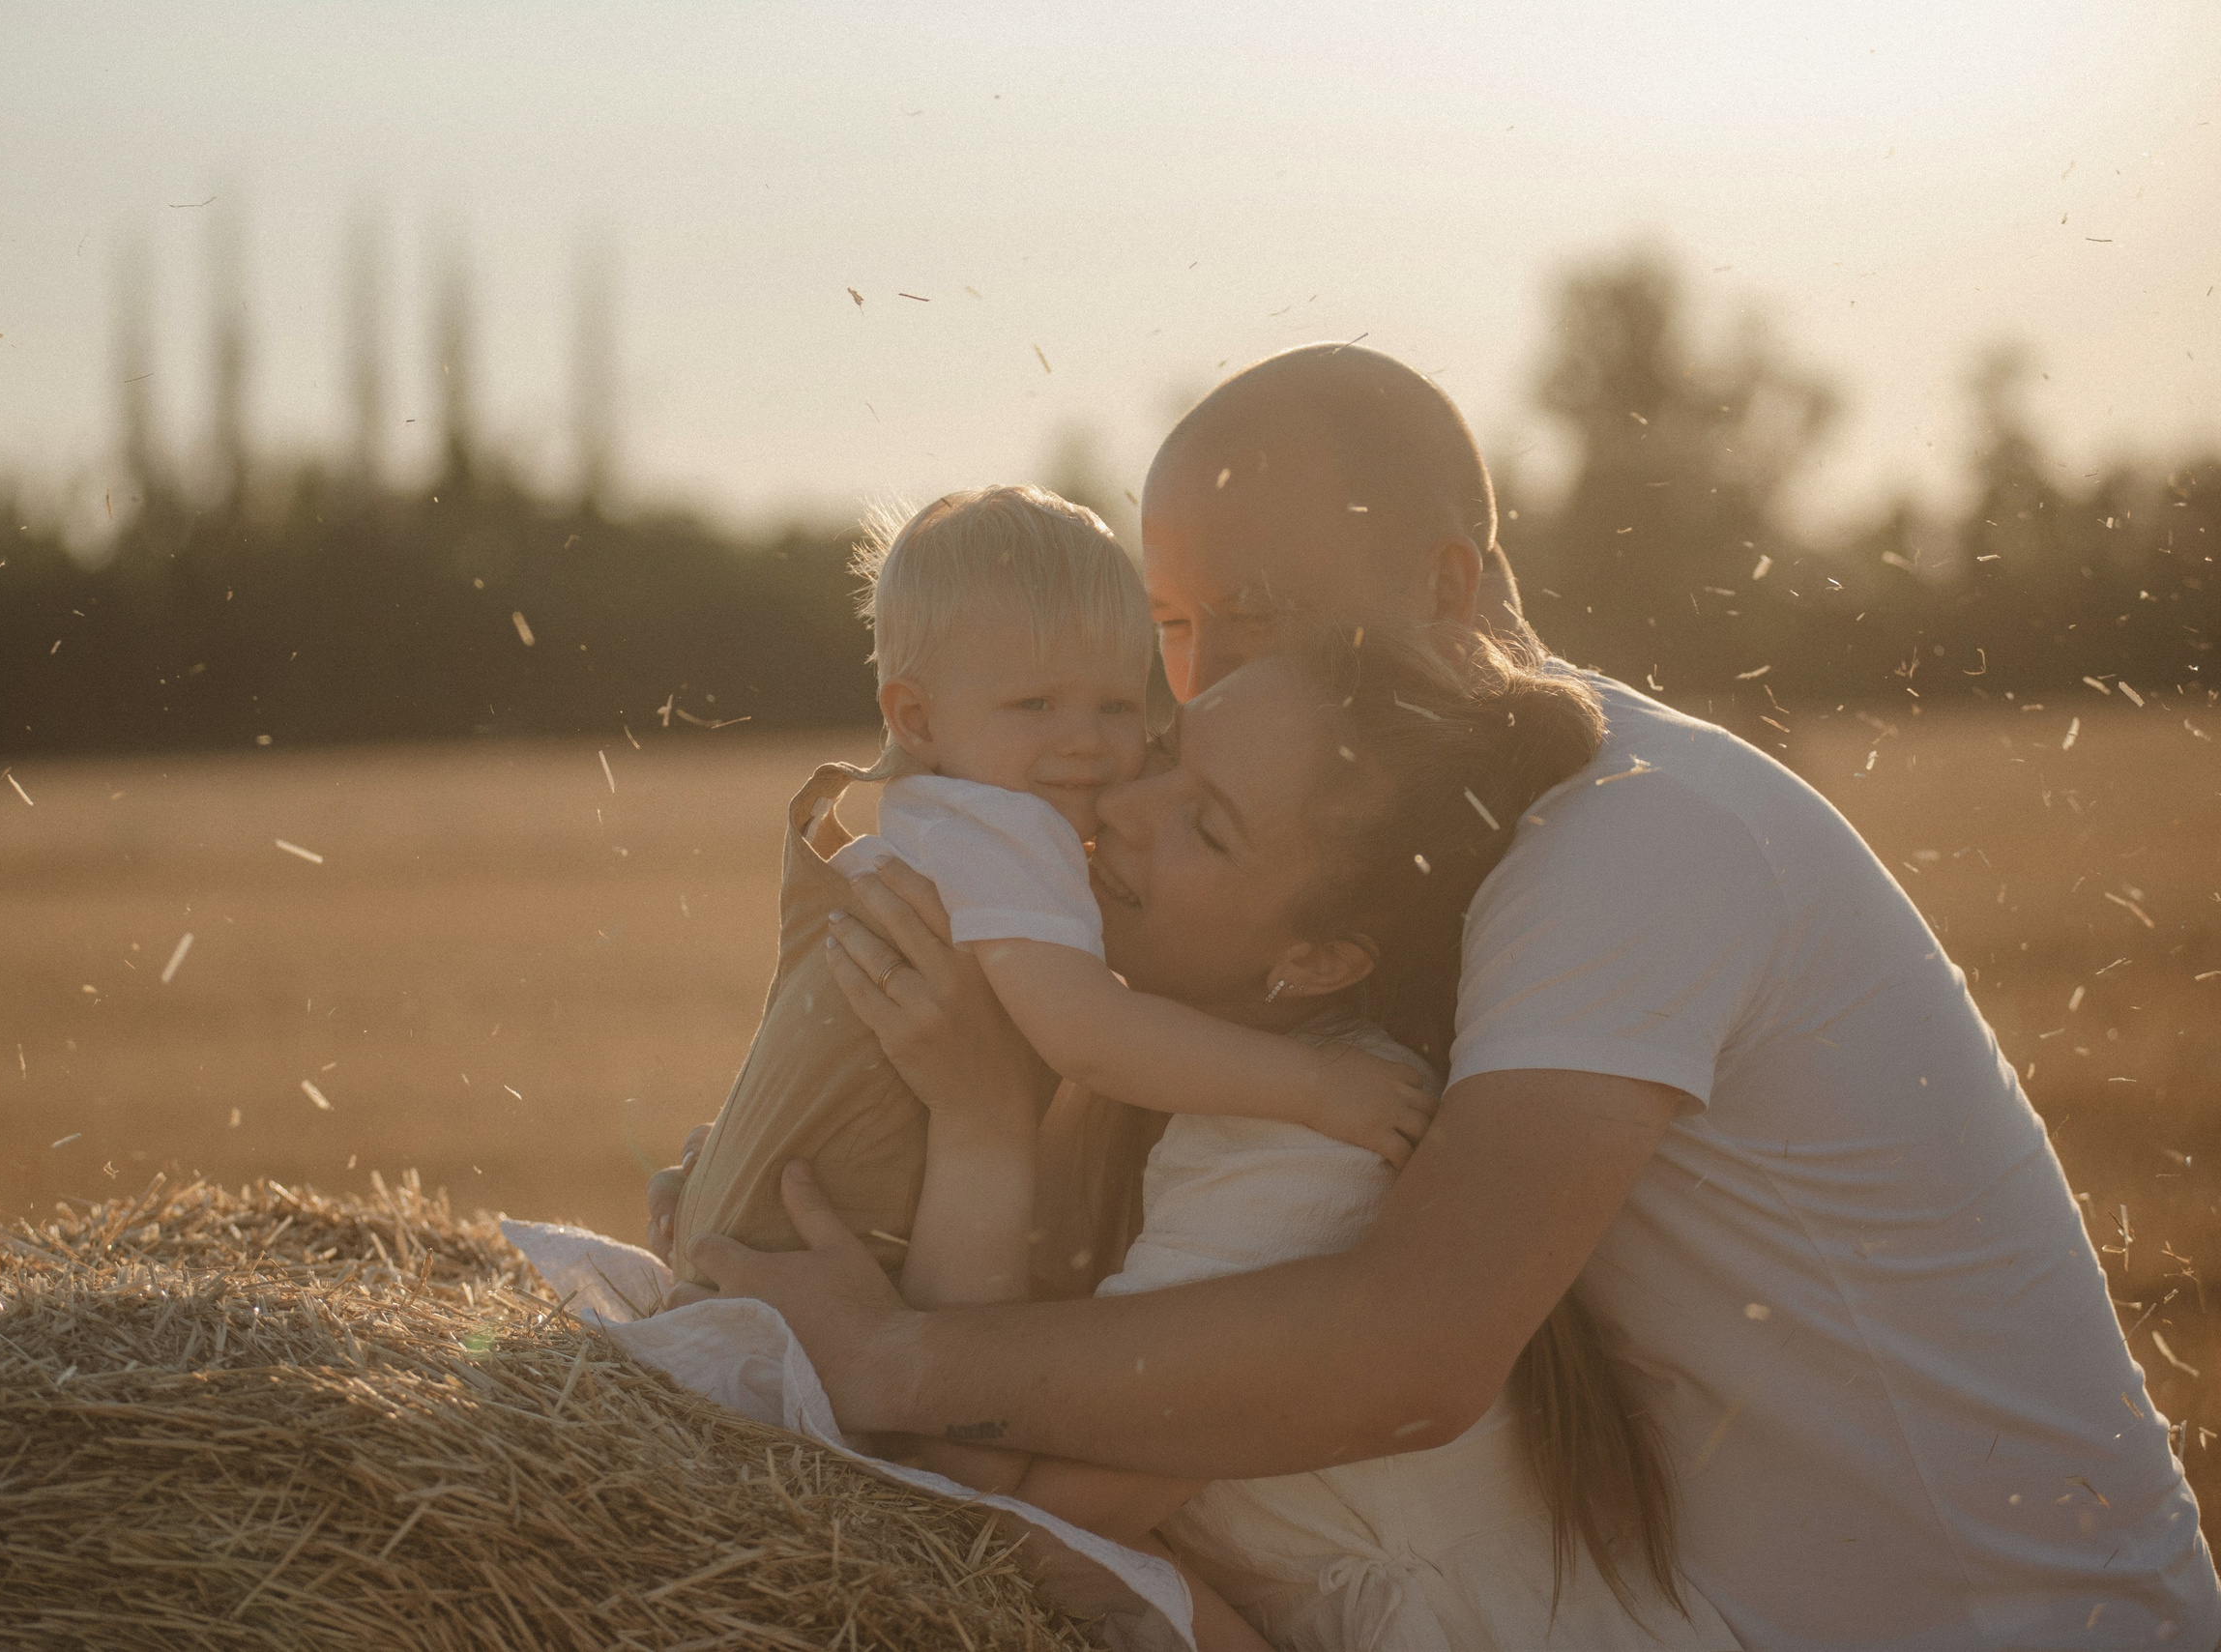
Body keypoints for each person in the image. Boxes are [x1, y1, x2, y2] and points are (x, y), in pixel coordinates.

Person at [666, 345, 2221, 1649]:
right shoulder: (1411, 836)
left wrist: (889, 1364)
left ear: (1447, 582)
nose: (1202, 685)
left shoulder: (1625, 838)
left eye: (1256, 613)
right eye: (1178, 630)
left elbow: (1411, 1352)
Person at [881, 623, 1739, 1649]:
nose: (1118, 806)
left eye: (1207, 828)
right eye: (1166, 750)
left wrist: (979, 1127)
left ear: (1321, 959)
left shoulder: (1308, 1154)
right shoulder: (1177, 1069)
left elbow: (1002, 1518)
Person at [670, 481, 1424, 1309]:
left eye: (1117, 705)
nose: (1087, 741)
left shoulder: (940, 813)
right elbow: (1089, 1034)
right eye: (1035, 704)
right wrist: (1317, 1085)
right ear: (915, 719)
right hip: (805, 1273)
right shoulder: (1004, 833)